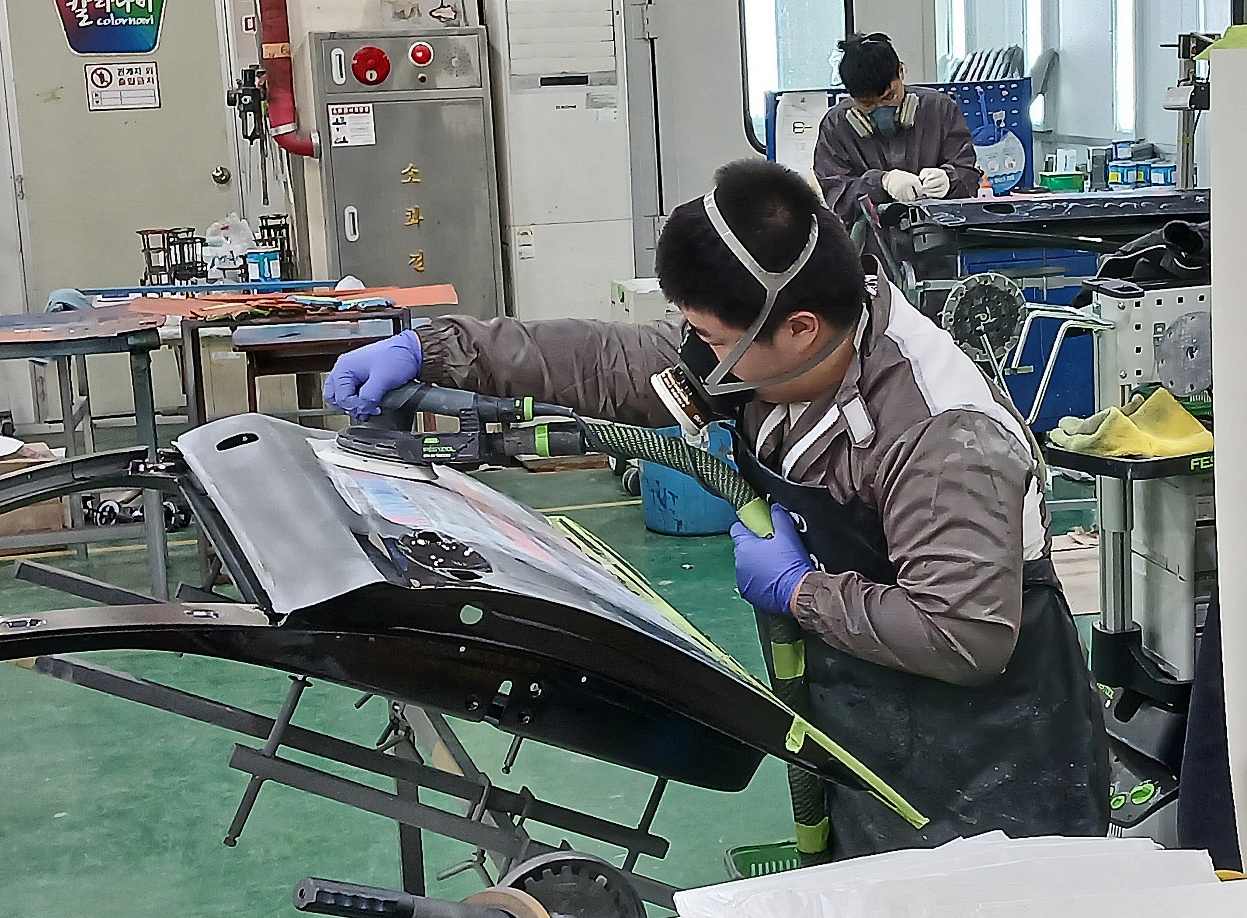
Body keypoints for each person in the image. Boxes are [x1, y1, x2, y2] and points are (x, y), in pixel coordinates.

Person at [324, 159, 1109, 858]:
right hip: (874, 725)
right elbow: (613, 361)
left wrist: (801, 592)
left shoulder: (942, 437)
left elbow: (963, 634)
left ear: (799, 328)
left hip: (991, 768)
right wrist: (439, 351)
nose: (693, 351)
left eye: (705, 332)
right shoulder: (797, 343)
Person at [814, 33, 980, 227]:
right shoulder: (836, 126)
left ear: (901, 71)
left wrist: (949, 180)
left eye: (889, 97)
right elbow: (836, 196)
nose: (881, 109)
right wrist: (881, 182)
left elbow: (967, 173)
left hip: (938, 235)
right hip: (870, 240)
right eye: (867, 104)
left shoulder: (939, 109)